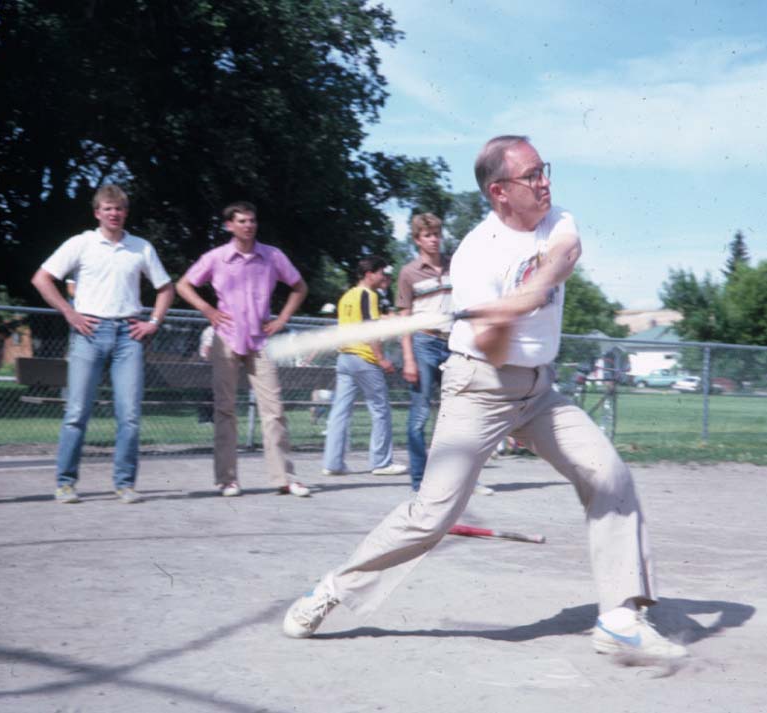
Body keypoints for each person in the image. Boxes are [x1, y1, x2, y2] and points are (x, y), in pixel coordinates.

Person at [282, 136, 688, 662]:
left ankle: (618, 617)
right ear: (498, 191)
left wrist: (526, 294)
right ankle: (332, 590)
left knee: (608, 475)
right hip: (479, 389)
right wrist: (500, 320)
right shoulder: (476, 257)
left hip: (539, 391)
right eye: (531, 176)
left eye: (545, 170)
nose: (544, 182)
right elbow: (494, 351)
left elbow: (566, 255)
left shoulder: (556, 217)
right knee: (431, 516)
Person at [31, 184, 174, 504]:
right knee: (76, 412)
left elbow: (166, 288)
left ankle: (125, 483)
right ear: (97, 212)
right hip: (89, 332)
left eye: (120, 208)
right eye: (108, 208)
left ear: (126, 213)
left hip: (128, 335)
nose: (114, 213)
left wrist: (153, 322)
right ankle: (65, 483)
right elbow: (42, 278)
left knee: (130, 415)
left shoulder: (141, 248)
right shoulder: (81, 243)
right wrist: (69, 312)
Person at [176, 201, 310, 498]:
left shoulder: (272, 256)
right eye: (242, 221)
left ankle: (285, 478)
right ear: (229, 225)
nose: (248, 225)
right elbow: (184, 285)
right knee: (225, 410)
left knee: (273, 411)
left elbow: (299, 287)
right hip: (226, 339)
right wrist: (207, 310)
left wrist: (283, 319)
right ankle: (228, 479)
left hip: (260, 341)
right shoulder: (217, 258)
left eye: (252, 220)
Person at [397, 212, 494, 495]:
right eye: (427, 235)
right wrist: (409, 358)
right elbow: (404, 318)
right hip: (423, 344)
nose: (434, 240)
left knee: (461, 414)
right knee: (420, 415)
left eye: (437, 234)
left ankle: (465, 480)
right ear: (417, 239)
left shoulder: (457, 266)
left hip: (454, 343)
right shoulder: (409, 273)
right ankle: (419, 481)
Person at [321, 256, 407, 477]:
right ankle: (381, 462)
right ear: (370, 274)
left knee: (340, 411)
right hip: (364, 358)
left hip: (345, 357)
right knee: (380, 410)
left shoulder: (347, 296)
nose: (383, 276)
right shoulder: (368, 295)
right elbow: (371, 330)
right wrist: (381, 358)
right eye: (380, 272)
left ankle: (333, 463)